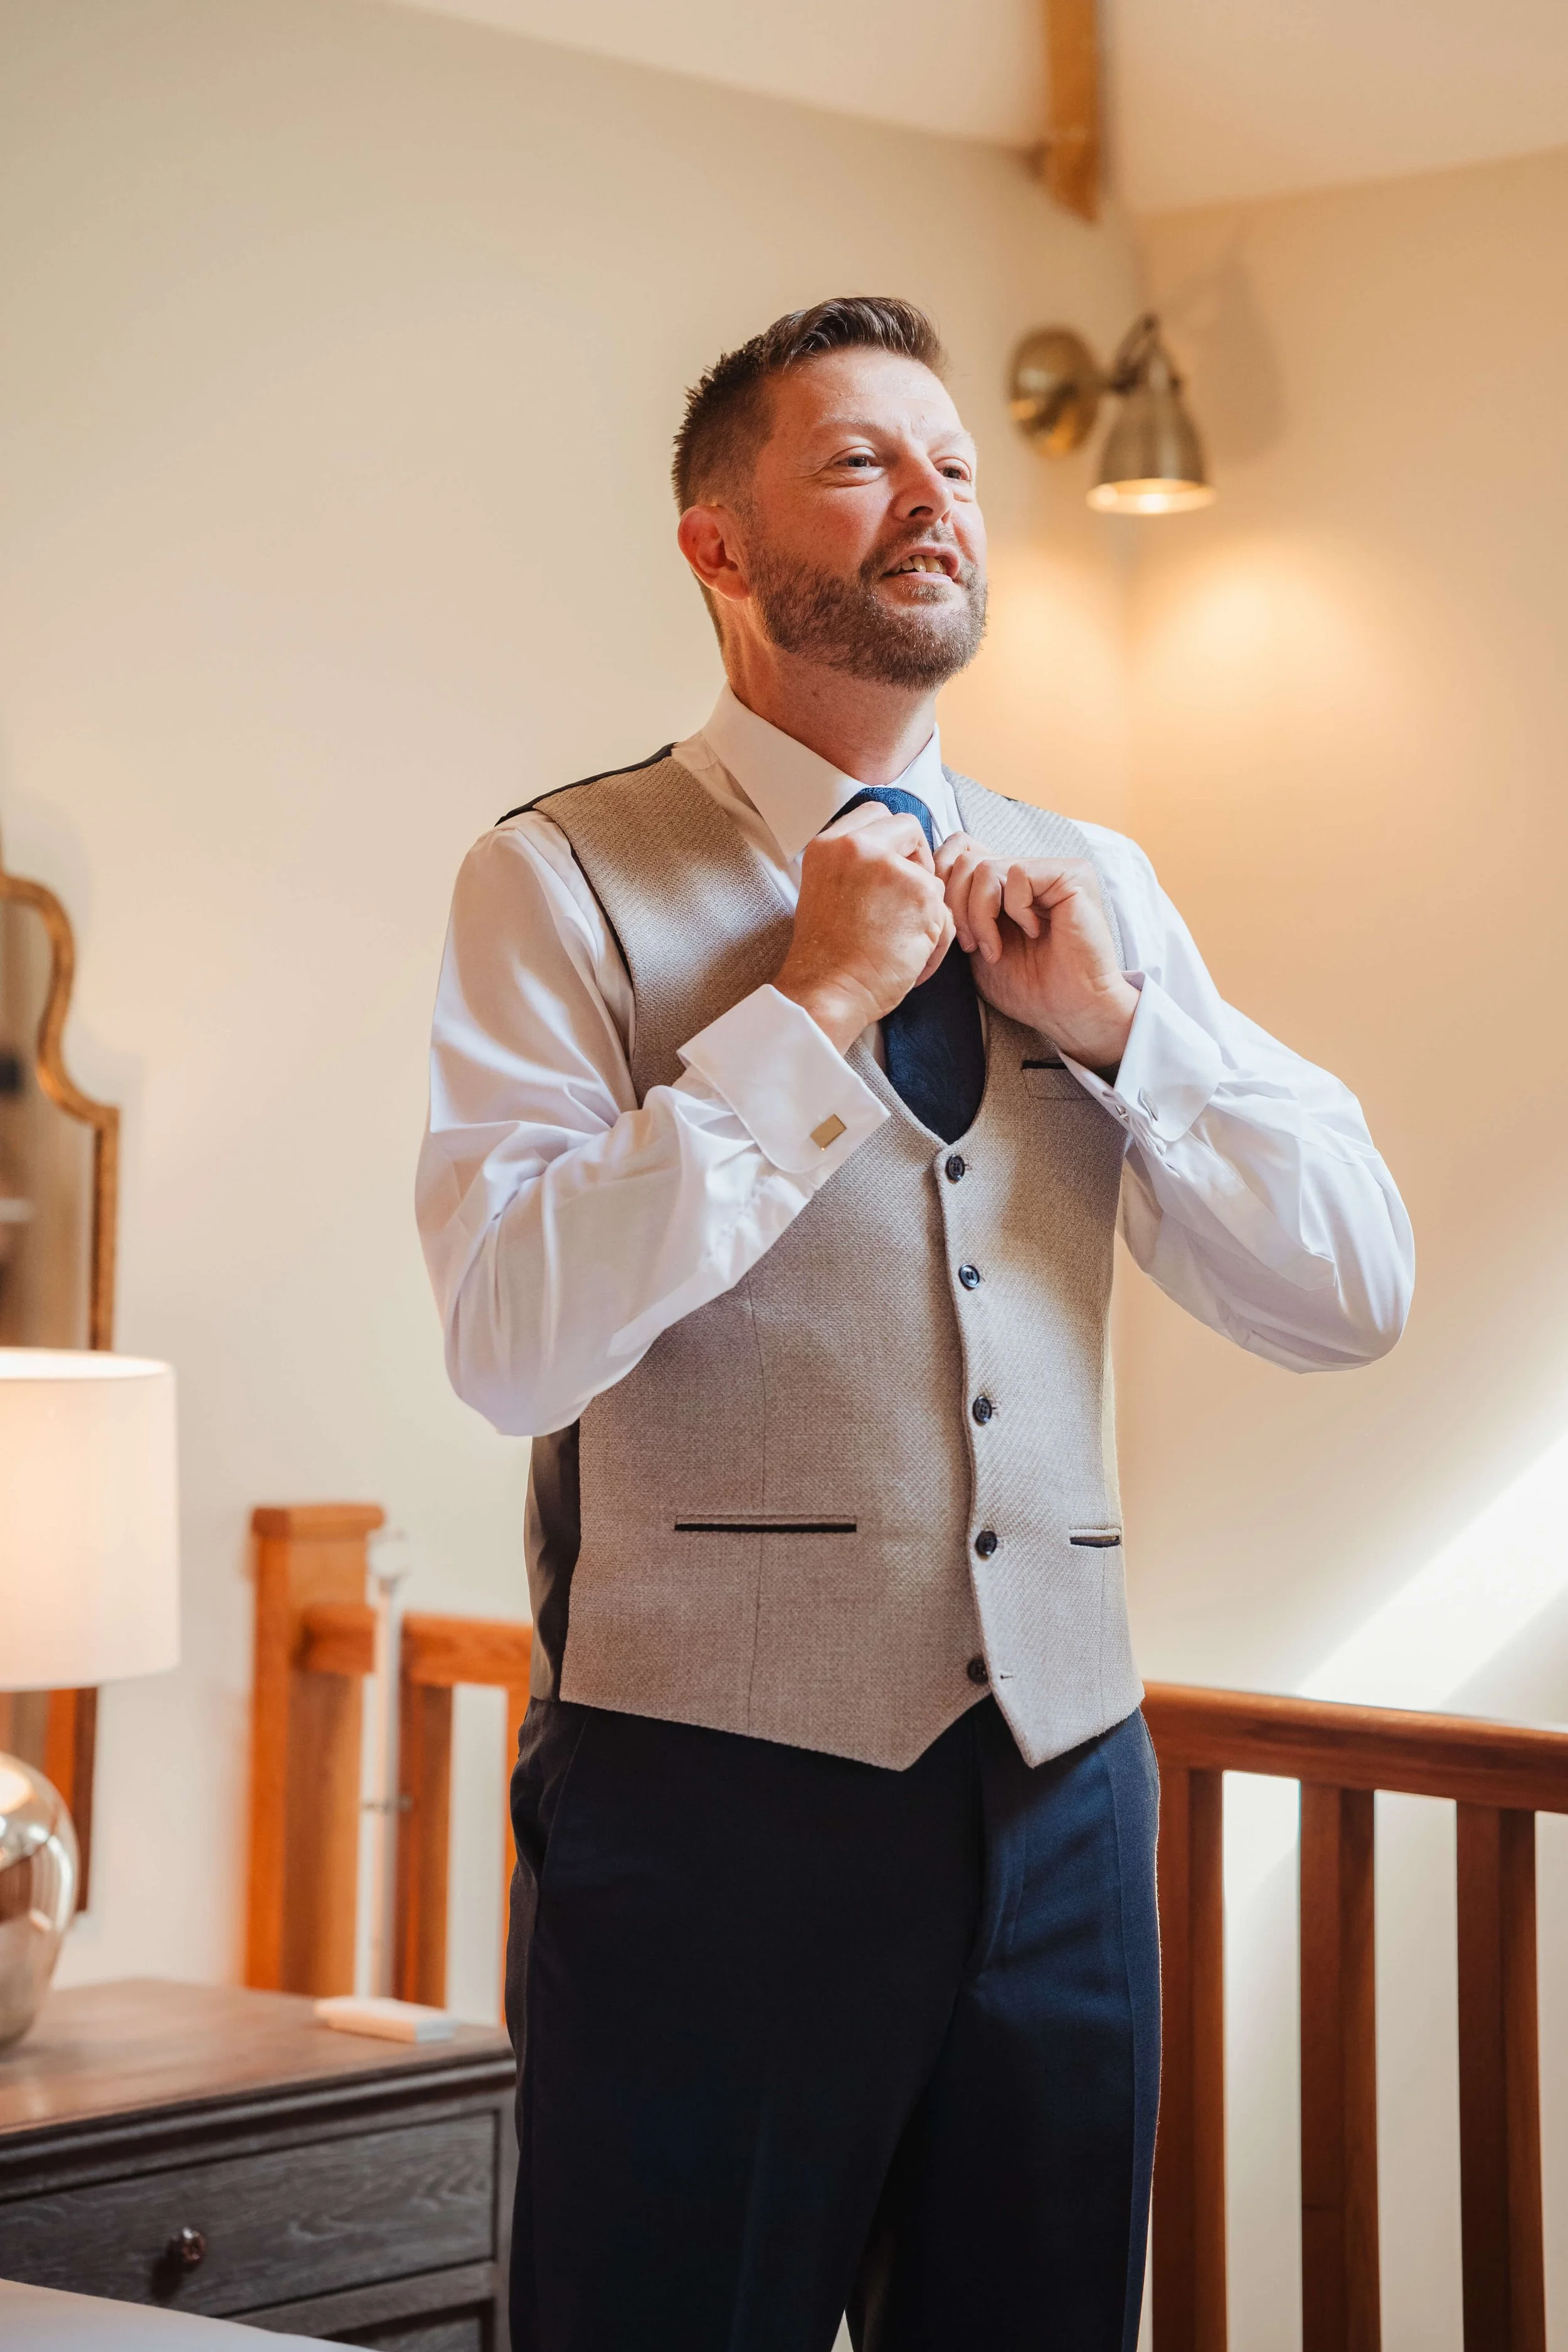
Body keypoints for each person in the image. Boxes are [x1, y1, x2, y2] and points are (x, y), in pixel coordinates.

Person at [416, 295, 1412, 2352]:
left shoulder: (1091, 883)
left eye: (954, 465)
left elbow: (1348, 1287)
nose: (934, 499)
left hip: (1065, 1794)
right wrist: (806, 1012)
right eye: (861, 461)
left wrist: (1123, 1032)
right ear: (717, 543)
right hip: (705, 1808)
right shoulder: (554, 880)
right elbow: (512, 1336)